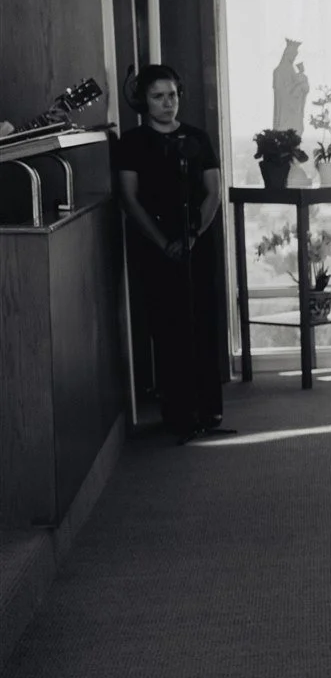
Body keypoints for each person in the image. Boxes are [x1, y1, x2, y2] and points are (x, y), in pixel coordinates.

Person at [116, 65, 227, 442]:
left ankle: (209, 410)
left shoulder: (197, 137)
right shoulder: (132, 142)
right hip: (155, 245)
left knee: (203, 319)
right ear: (143, 101)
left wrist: (192, 235)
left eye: (172, 95)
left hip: (198, 241)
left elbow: (213, 190)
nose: (167, 103)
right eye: (157, 96)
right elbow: (129, 199)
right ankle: (177, 413)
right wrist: (164, 243)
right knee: (168, 327)